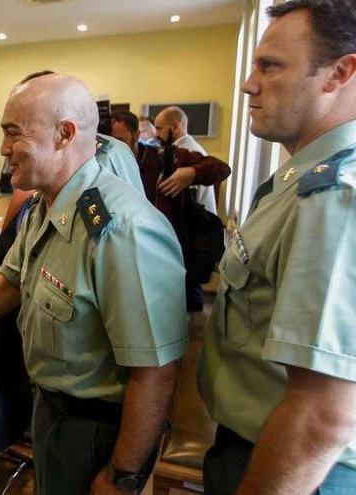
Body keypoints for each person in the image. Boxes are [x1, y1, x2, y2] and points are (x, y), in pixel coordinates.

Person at [0, 73, 187, 494]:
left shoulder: (124, 229)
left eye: (13, 134)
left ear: (65, 134)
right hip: (51, 410)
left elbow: (156, 372)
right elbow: (13, 275)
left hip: (97, 431)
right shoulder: (48, 204)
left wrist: (123, 474)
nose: (3, 149)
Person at [198, 1, 356, 493]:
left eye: (269, 66)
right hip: (259, 445)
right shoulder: (300, 180)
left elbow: (323, 416)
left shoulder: (333, 197)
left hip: (295, 468)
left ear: (339, 73)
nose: (249, 84)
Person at [112, 111, 230, 310]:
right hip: (127, 255)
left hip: (168, 254)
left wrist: (192, 173)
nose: (115, 148)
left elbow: (221, 168)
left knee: (180, 309)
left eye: (120, 140)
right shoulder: (105, 163)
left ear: (135, 135)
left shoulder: (164, 159)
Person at [154, 105, 218, 214]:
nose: (156, 135)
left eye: (159, 129)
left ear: (176, 126)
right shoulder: (179, 150)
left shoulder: (187, 154)